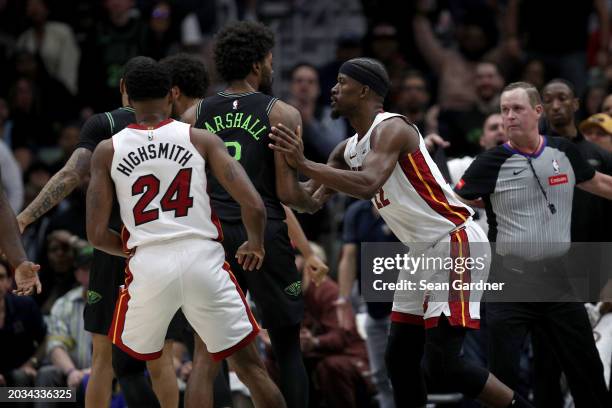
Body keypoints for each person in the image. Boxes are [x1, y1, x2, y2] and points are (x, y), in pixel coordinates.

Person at [269, 57, 531, 407]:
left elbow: (366, 184)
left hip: (454, 240)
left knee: (444, 364)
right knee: (399, 359)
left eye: (341, 83)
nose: (332, 89)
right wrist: (277, 171)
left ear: (364, 90)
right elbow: (308, 202)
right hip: (420, 252)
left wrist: (303, 163)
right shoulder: (345, 150)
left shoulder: (394, 128)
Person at [86, 57, 286, 408]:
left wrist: (135, 251)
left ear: (124, 94)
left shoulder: (107, 150)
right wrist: (255, 243)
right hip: (202, 260)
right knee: (250, 369)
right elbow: (253, 204)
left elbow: (95, 234)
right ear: (172, 95)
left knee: (123, 365)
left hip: (147, 266)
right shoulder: (201, 138)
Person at [17, 56, 176, 408]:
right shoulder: (181, 130)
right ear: (169, 94)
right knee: (160, 357)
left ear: (123, 89)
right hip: (161, 250)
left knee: (101, 357)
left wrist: (25, 217)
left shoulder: (104, 123)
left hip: (113, 245)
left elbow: (71, 175)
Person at [185, 21, 320, 408]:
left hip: (211, 236)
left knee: (209, 352)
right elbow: (288, 193)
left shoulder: (195, 114)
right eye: (271, 60)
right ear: (259, 64)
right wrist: (317, 196)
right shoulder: (282, 113)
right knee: (287, 347)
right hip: (264, 232)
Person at [455, 81, 612, 407]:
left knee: (587, 370)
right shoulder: (490, 162)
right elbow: (457, 199)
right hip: (509, 280)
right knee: (503, 377)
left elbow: (599, 183)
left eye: (517, 109)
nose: (509, 116)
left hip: (557, 278)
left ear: (537, 112)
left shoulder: (564, 152)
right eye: (504, 110)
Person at [336, 200, 397, 408]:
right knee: (379, 374)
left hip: (404, 305)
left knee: (402, 373)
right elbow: (349, 257)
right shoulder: (356, 211)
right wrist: (343, 301)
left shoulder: (404, 205)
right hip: (373, 307)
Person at [35, 246, 94, 407]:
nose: (93, 272)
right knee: (47, 374)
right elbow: (55, 346)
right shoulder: (64, 304)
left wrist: (91, 373)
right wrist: (72, 372)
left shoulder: (121, 301)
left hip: (109, 377)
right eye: (87, 268)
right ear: (77, 273)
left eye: (97, 267)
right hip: (72, 381)